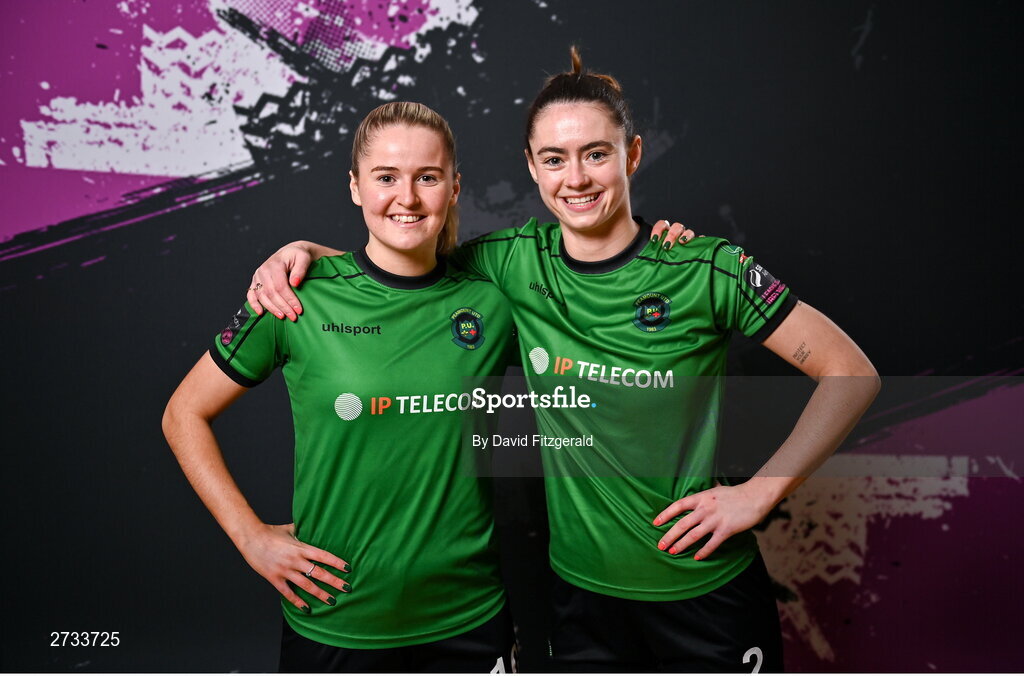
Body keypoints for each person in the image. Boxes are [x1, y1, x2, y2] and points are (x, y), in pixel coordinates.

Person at [247, 48, 880, 672]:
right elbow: (402, 255)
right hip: (580, 599)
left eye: (596, 154)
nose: (575, 179)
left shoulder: (705, 267)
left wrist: (757, 496)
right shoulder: (511, 262)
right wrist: (303, 254)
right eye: (555, 159)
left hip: (704, 594)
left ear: (631, 154)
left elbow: (851, 374)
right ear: (533, 167)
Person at [162, 102, 527, 672]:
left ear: (454, 189)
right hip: (337, 621)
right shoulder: (295, 296)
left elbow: (604, 301)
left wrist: (668, 243)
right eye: (386, 177)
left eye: (427, 177)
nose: (406, 197)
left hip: (469, 617)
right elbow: (182, 413)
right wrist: (250, 537)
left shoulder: (493, 296)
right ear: (355, 187)